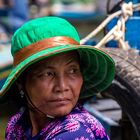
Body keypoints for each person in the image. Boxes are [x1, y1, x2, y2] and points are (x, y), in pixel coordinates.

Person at [0, 16, 115, 139]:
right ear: (21, 82)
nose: (62, 87)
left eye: (72, 71)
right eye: (48, 74)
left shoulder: (76, 132)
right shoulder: (17, 125)